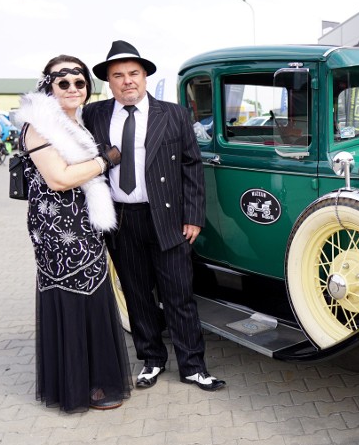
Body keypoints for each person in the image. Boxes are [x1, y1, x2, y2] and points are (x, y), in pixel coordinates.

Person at [83, 40, 226, 392]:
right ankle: (151, 359)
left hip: (168, 219)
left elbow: (193, 166)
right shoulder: (95, 115)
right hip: (122, 220)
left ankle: (193, 366)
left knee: (179, 294)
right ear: (109, 82)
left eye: (133, 73)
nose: (127, 81)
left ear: (145, 76)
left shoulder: (174, 114)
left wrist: (193, 216)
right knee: (137, 294)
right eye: (118, 75)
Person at [12, 54, 131, 412]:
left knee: (94, 296)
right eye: (63, 82)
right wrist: (106, 160)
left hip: (83, 225)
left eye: (79, 82)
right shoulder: (39, 125)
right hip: (56, 229)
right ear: (48, 86)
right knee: (71, 299)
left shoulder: (75, 124)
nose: (73, 88)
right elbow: (59, 178)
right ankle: (78, 385)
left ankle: (96, 378)